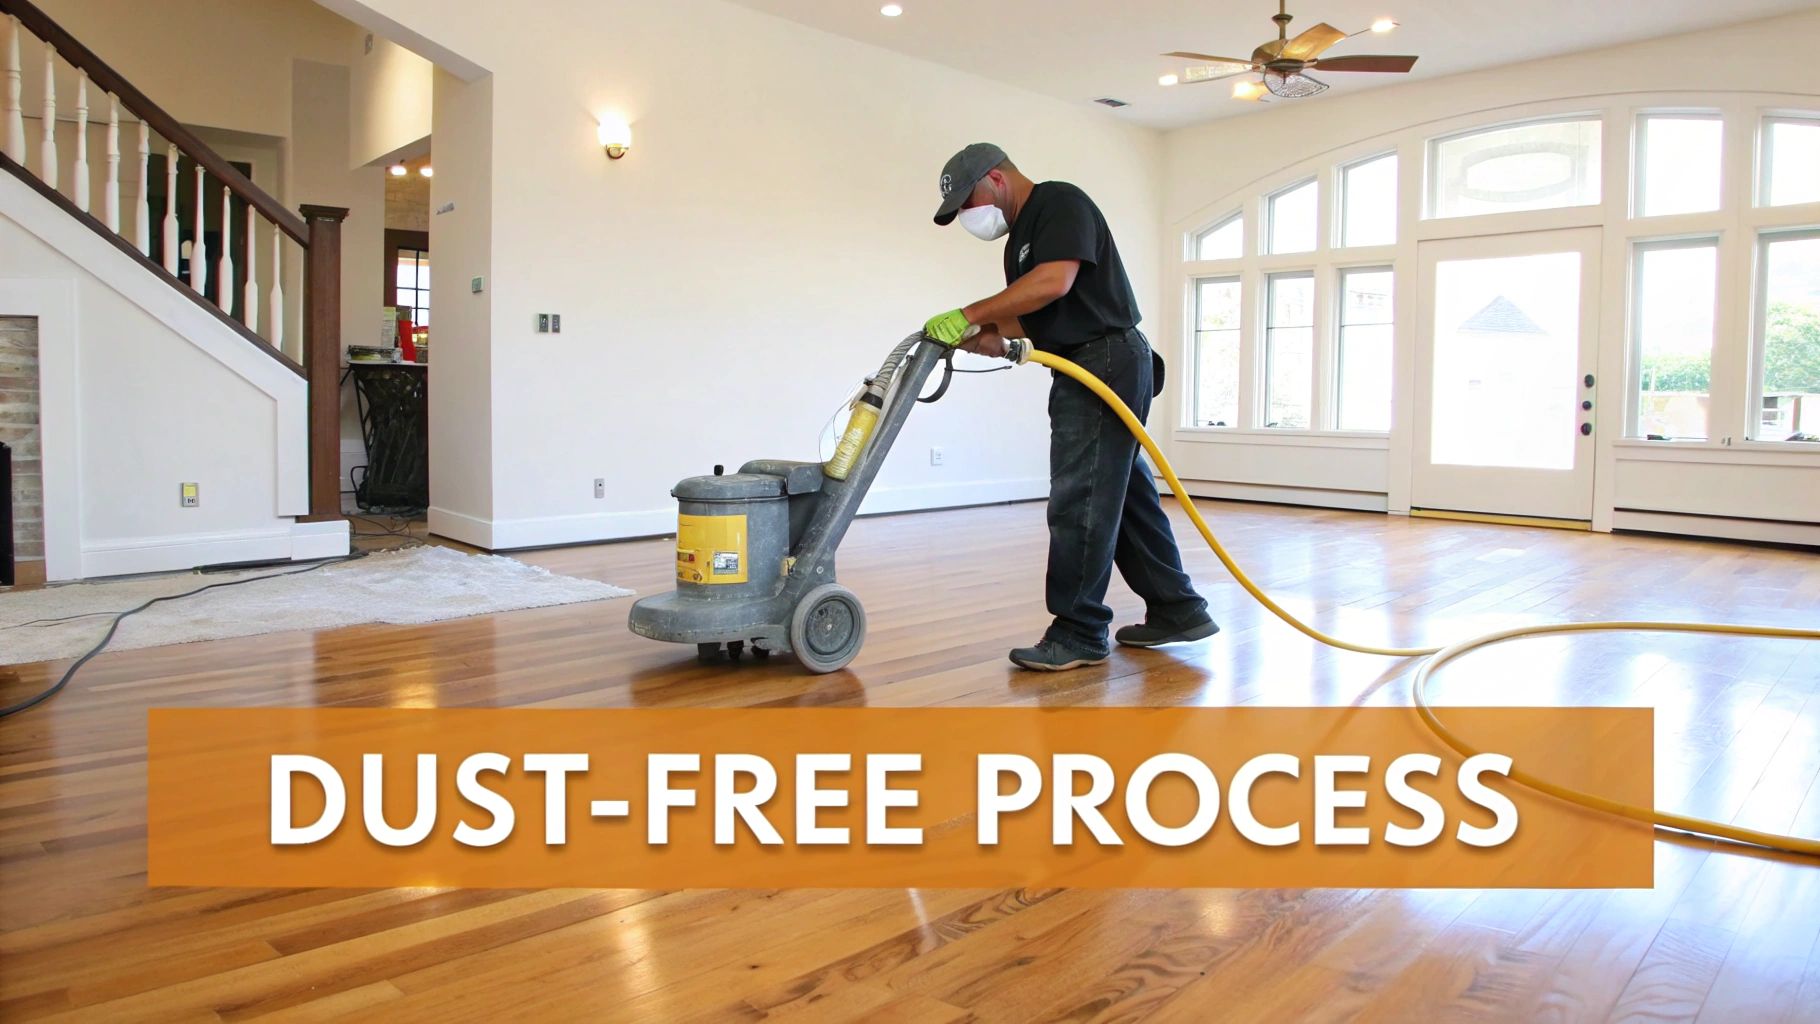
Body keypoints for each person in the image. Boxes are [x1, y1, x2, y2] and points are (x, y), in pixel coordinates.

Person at [923, 143, 1219, 672]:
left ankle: (1079, 630)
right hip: (1089, 361)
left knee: (1081, 495)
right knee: (1123, 495)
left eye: (968, 202)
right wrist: (985, 333)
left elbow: (1052, 283)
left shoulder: (1058, 203)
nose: (970, 216)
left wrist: (969, 312)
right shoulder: (1018, 245)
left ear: (996, 178)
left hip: (1106, 359)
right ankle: (1178, 609)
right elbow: (1037, 311)